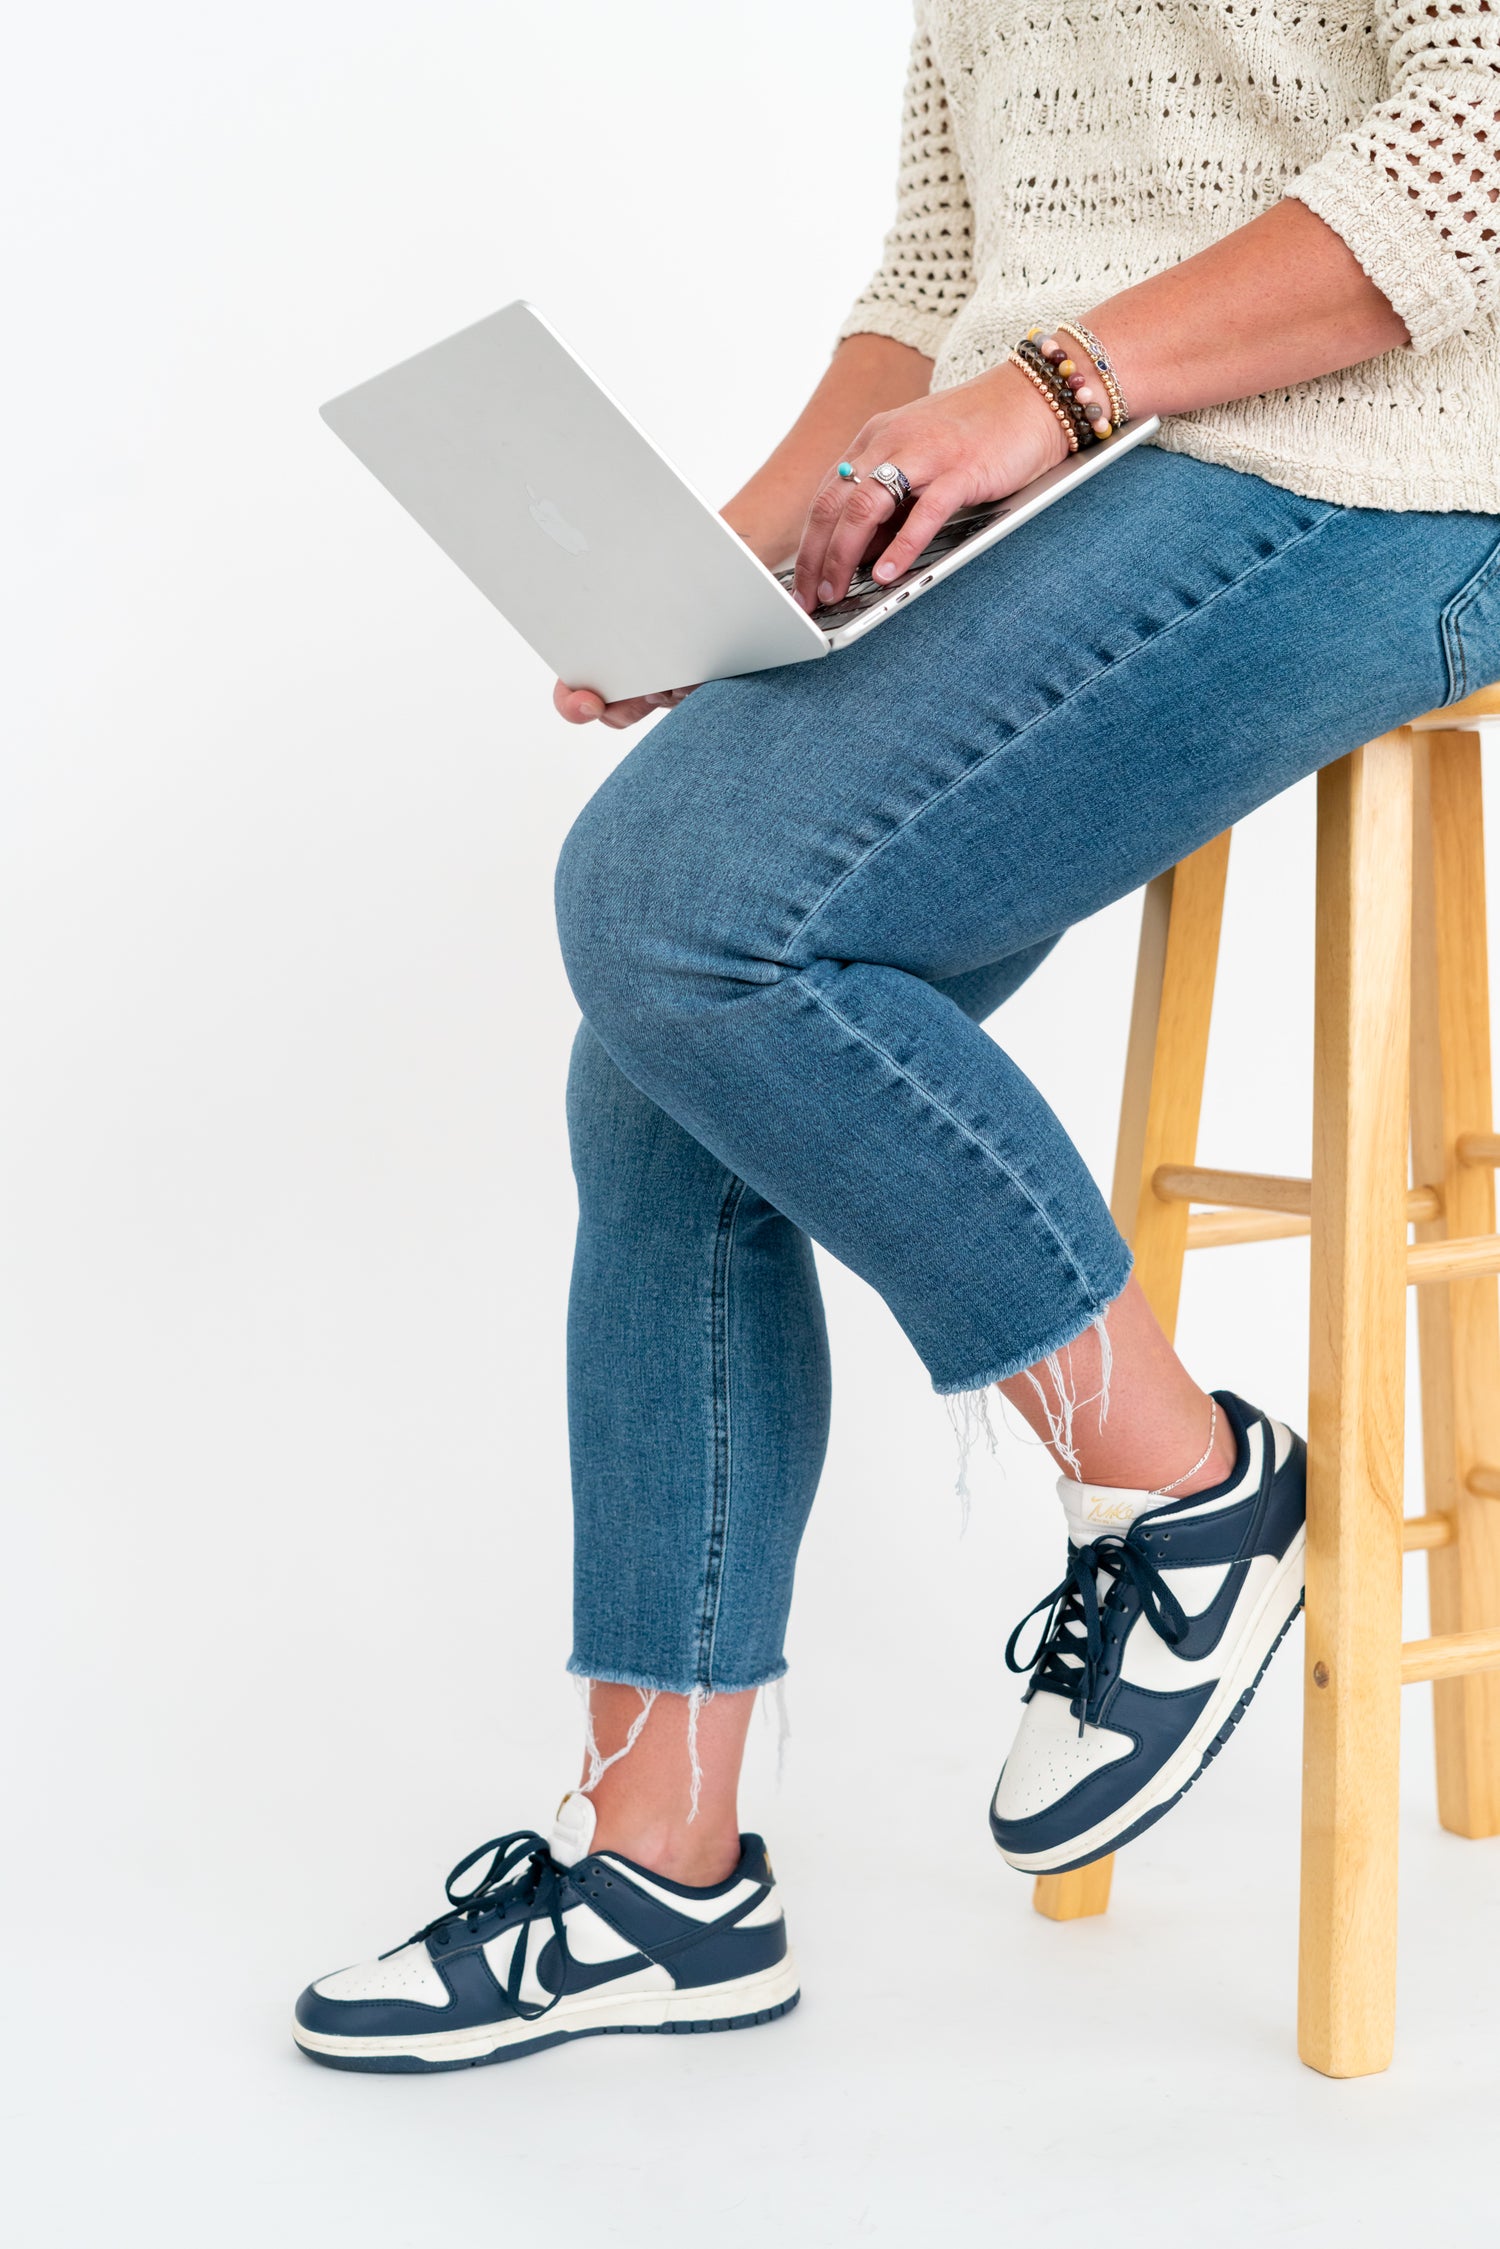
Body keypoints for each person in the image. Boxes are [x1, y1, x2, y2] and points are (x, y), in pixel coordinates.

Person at [292, 1, 1500, 2072]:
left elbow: (1481, 141)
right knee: (668, 1055)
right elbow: (944, 269)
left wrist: (1057, 390)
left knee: (675, 913)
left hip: (1385, 458)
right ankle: (657, 1874)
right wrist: (774, 523)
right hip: (1105, 461)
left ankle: (1186, 1488)